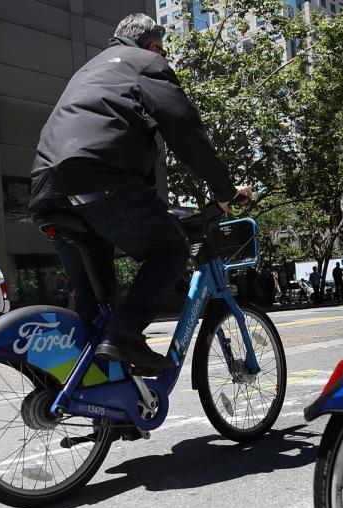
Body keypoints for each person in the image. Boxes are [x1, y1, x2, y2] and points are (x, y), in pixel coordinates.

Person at [29, 14, 252, 369]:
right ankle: (127, 335)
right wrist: (223, 189)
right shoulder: (147, 63)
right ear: (153, 45)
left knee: (96, 308)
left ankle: (107, 412)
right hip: (99, 179)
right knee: (171, 247)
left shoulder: (90, 70)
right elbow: (182, 125)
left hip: (48, 189)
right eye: (161, 50)